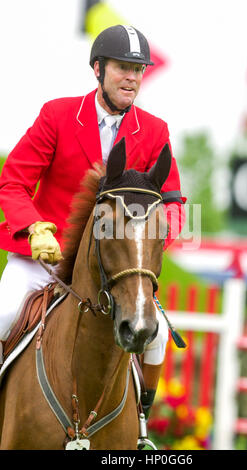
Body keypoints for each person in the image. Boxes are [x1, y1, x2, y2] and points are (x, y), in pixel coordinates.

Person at [0, 25, 185, 420]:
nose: (133, 78)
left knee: (157, 338)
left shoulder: (154, 132)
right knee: (1, 312)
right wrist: (34, 227)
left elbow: (172, 205)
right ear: (98, 69)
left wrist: (144, 248)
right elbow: (13, 182)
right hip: (42, 261)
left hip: (111, 270)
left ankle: (139, 422)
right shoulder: (58, 114)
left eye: (139, 70)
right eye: (123, 68)